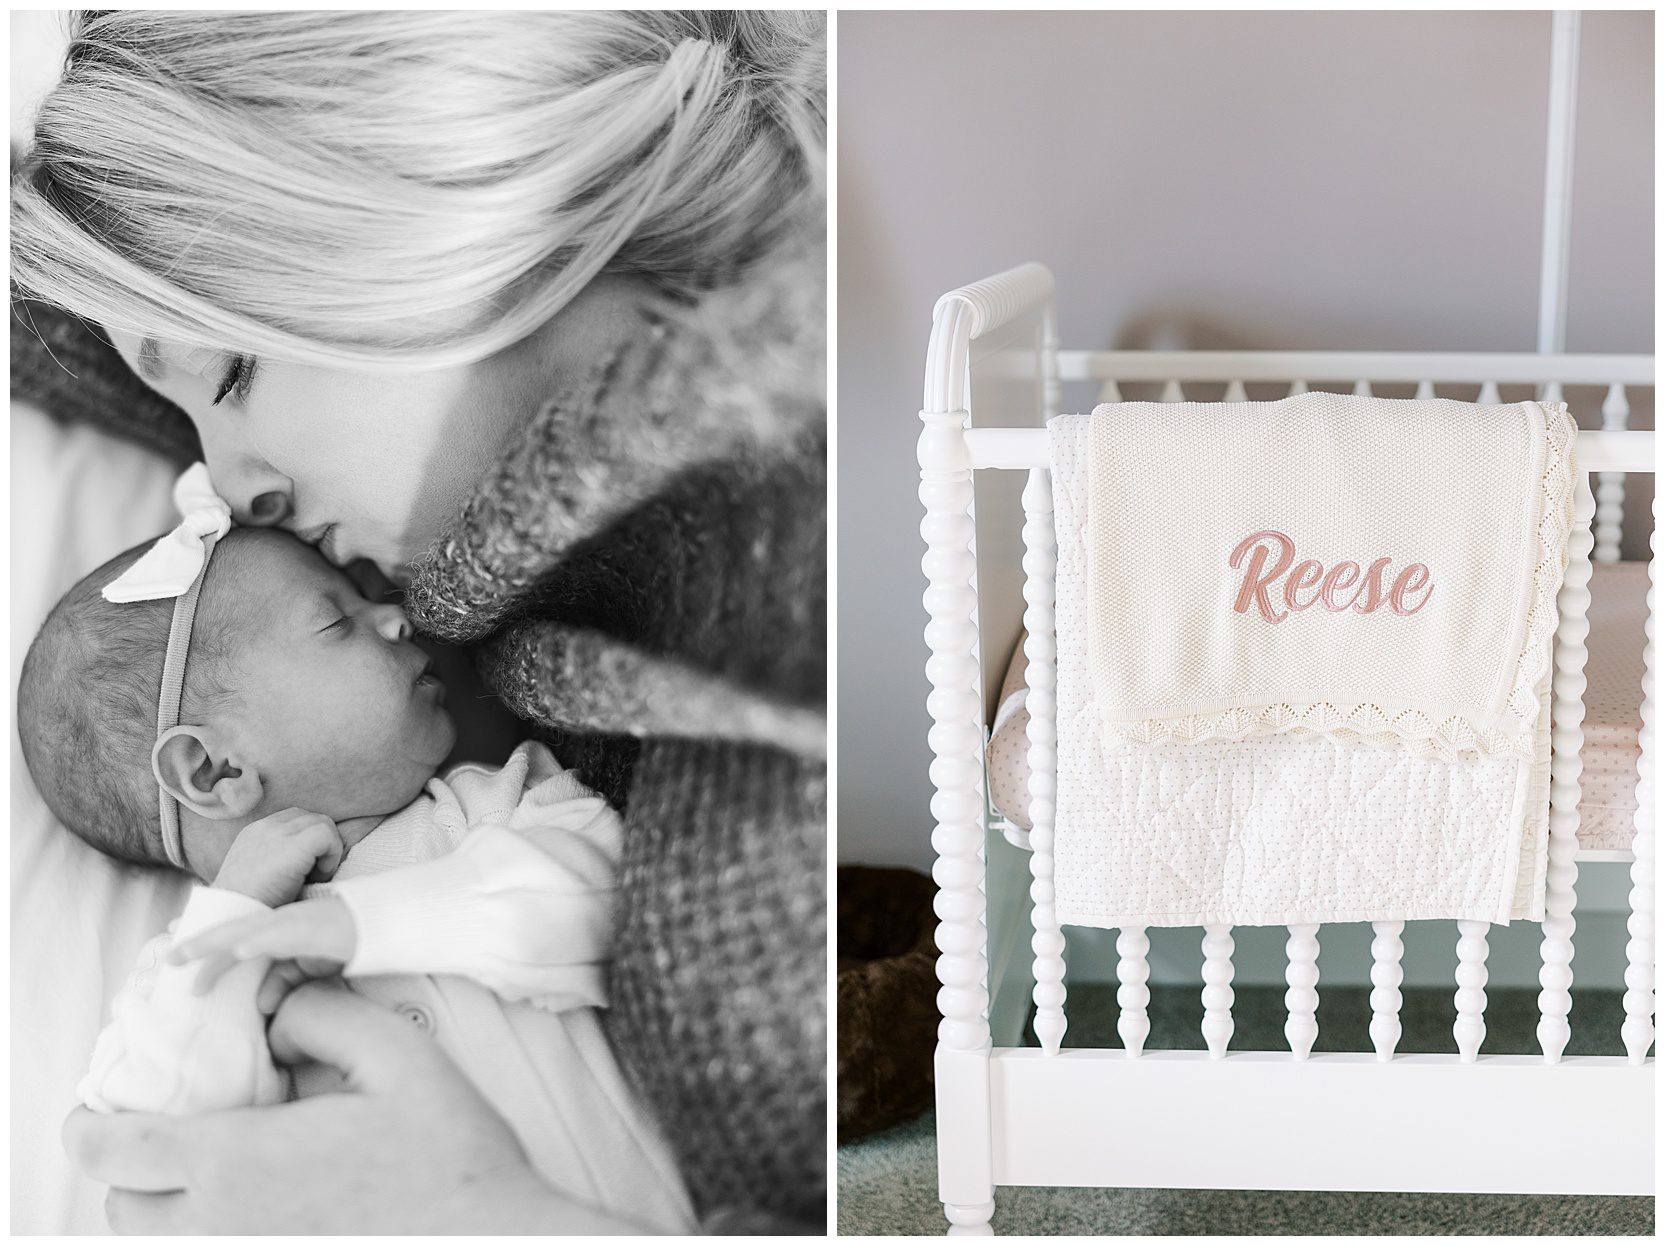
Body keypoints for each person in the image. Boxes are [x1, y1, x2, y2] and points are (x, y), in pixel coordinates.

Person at [12, 9, 826, 1234]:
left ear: (449, 190)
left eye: (232, 379)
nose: (232, 495)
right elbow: (51, 314)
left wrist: (496, 1214)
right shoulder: (474, 494)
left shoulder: (789, 525)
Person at [20, 510, 696, 1234]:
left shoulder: (494, 808)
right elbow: (148, 1131)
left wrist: (362, 925)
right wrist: (233, 921)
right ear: (216, 769)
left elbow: (608, 895)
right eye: (335, 622)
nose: (397, 618)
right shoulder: (194, 968)